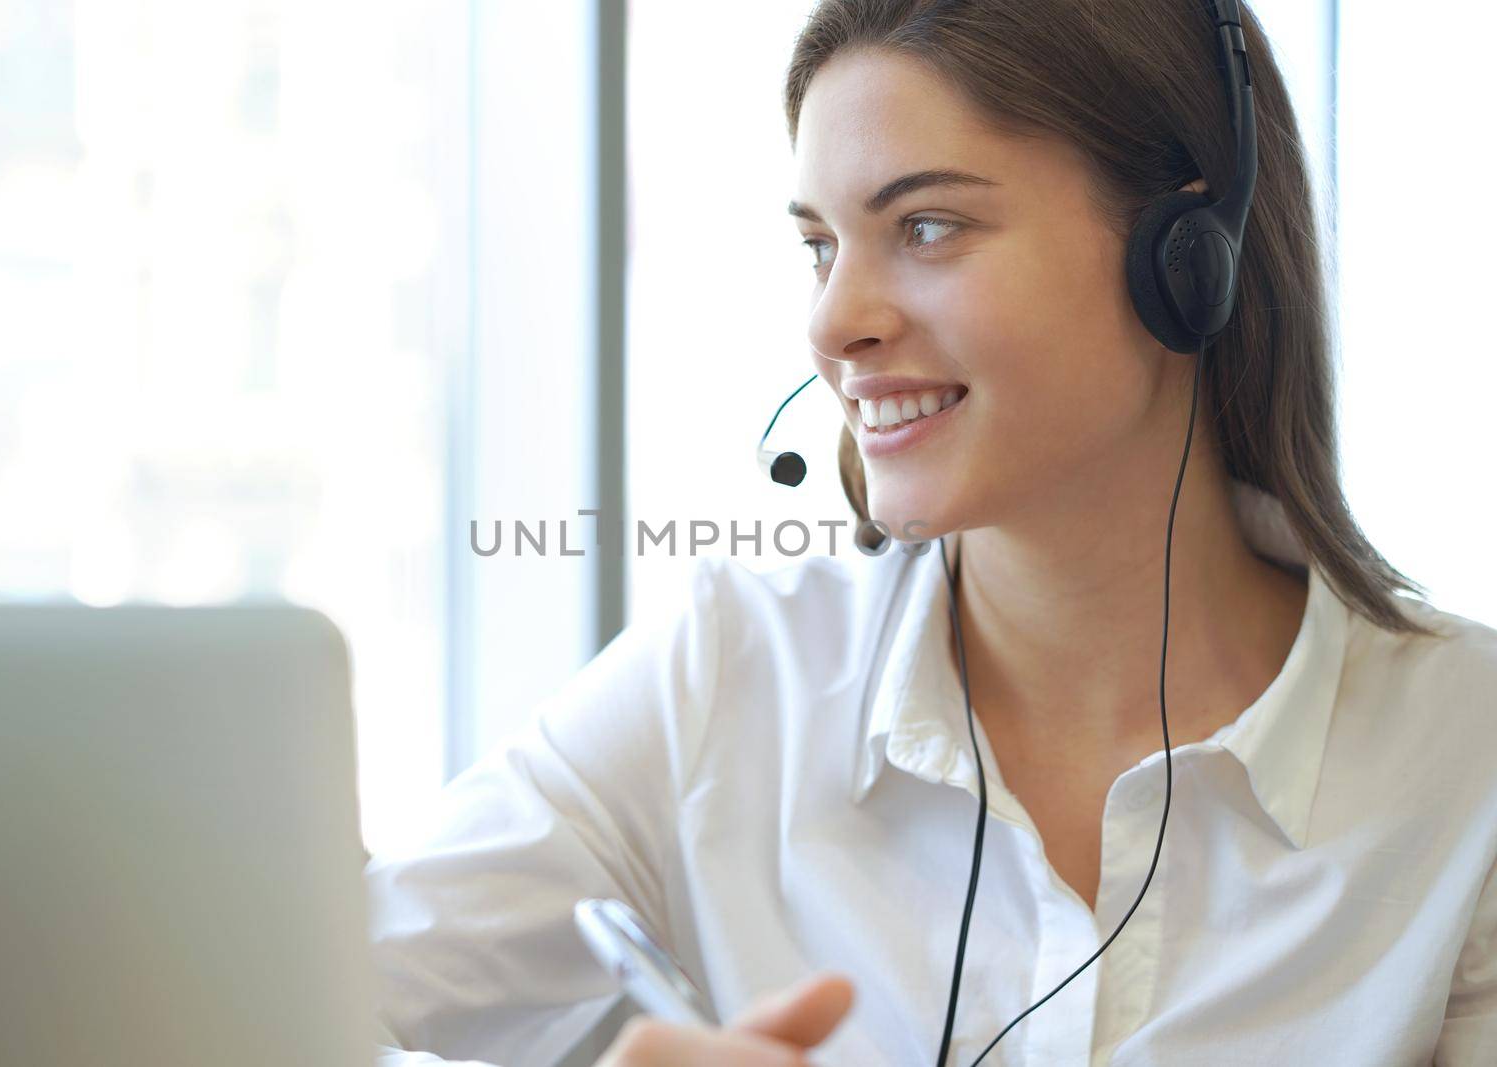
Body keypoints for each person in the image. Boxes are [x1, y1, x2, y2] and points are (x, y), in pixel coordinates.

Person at [365, 1, 1497, 1064]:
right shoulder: (729, 676)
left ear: (1183, 254)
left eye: (927, 226)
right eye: (821, 244)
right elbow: (268, 991)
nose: (832, 322)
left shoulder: (1466, 757)